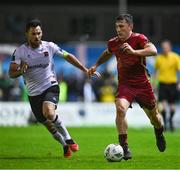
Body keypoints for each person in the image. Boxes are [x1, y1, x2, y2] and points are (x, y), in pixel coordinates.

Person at [8, 19, 99, 158]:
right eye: (33, 34)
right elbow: (11, 73)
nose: (37, 36)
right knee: (49, 125)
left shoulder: (49, 46)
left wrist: (85, 69)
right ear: (27, 34)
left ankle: (69, 139)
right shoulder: (20, 52)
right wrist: (21, 71)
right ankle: (64, 145)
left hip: (50, 86)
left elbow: (68, 56)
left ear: (41, 32)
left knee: (49, 113)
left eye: (39, 33)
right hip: (33, 93)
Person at [88, 14, 166, 160]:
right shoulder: (113, 42)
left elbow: (154, 50)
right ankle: (124, 147)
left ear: (130, 26)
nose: (118, 29)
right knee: (120, 108)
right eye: (117, 26)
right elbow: (107, 53)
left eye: (121, 26)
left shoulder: (139, 38)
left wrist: (134, 52)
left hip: (143, 85)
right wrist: (96, 65)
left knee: (154, 117)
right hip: (125, 84)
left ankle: (159, 131)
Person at [154, 40, 180, 131]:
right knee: (163, 106)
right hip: (163, 84)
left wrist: (179, 83)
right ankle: (165, 122)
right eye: (163, 47)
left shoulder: (175, 57)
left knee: (173, 107)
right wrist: (154, 84)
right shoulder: (159, 58)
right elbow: (156, 72)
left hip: (173, 84)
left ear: (170, 47)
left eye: (166, 47)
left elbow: (179, 70)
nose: (164, 49)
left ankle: (171, 120)